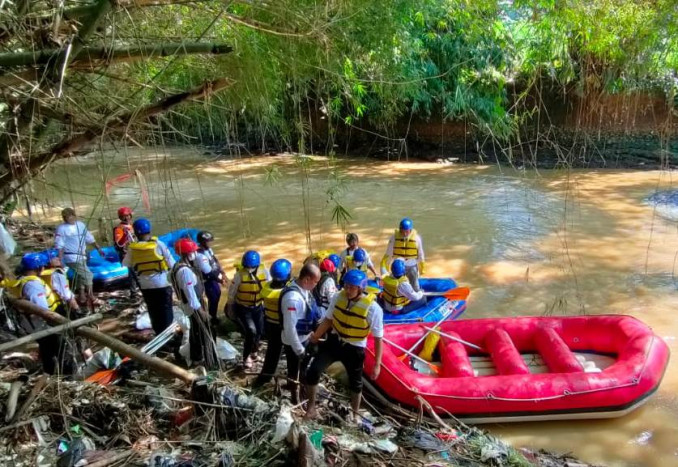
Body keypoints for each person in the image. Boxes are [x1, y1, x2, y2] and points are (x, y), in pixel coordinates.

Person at [305, 269, 383, 421]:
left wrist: (377, 364)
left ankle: (355, 416)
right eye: (346, 286)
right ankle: (311, 408)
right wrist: (316, 337)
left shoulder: (373, 309)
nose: (347, 290)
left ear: (360, 288)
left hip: (354, 348)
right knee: (314, 371)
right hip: (334, 341)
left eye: (351, 287)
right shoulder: (337, 297)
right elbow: (328, 320)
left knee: (356, 383)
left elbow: (379, 338)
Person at [16, 253, 76, 375]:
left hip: (33, 324)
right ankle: (66, 375)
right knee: (59, 350)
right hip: (42, 324)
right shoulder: (34, 285)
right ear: (38, 268)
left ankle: (51, 373)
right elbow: (42, 309)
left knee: (47, 350)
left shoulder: (21, 280)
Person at [123, 218, 176, 337]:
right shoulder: (159, 244)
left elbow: (126, 263)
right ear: (150, 231)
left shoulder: (132, 248)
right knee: (166, 310)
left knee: (153, 310)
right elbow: (172, 264)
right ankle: (169, 335)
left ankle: (159, 333)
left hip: (145, 285)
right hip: (162, 284)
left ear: (135, 233)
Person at [171, 238, 218, 369]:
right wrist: (202, 312)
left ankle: (196, 357)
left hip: (191, 306)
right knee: (208, 333)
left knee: (196, 333)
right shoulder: (184, 272)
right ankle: (210, 362)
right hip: (194, 307)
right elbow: (191, 295)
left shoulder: (178, 266)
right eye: (193, 251)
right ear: (187, 253)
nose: (195, 253)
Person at [279, 263, 321, 402]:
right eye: (315, 282)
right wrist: (300, 350)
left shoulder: (302, 288)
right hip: (294, 342)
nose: (316, 285)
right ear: (306, 280)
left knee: (301, 369)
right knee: (296, 370)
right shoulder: (293, 299)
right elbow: (290, 329)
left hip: (304, 337)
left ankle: (299, 390)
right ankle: (296, 397)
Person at [54, 208, 105, 309]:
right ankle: (91, 296)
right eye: (66, 217)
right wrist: (60, 260)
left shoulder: (80, 225)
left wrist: (98, 248)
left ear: (74, 215)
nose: (69, 218)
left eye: (70, 216)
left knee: (80, 276)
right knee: (88, 275)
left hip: (82, 255)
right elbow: (60, 245)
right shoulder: (61, 229)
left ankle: (82, 296)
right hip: (71, 256)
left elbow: (89, 237)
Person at [253, 258, 292, 388]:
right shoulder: (288, 291)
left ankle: (263, 379)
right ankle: (293, 383)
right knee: (292, 354)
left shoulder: (266, 288)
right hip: (285, 327)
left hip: (271, 325)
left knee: (272, 353)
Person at [227, 250, 270, 369]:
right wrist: (230, 306)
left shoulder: (264, 272)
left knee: (260, 331)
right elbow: (232, 292)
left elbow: (269, 286)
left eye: (251, 266)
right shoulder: (239, 275)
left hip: (258, 306)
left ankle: (254, 351)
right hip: (244, 308)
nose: (249, 268)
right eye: (247, 266)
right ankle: (246, 357)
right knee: (251, 331)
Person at [380, 217, 425, 291]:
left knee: (414, 282)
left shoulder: (416, 239)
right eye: (402, 231)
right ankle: (392, 294)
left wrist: (422, 267)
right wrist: (386, 266)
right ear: (400, 229)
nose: (404, 233)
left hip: (411, 264)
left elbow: (420, 254)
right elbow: (389, 253)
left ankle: (416, 293)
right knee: (394, 282)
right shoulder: (394, 238)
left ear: (410, 230)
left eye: (406, 231)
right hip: (398, 264)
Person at [195, 231, 226, 325]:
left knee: (217, 295)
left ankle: (213, 315)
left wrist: (222, 271)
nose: (211, 243)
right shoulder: (200, 255)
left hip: (214, 277)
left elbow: (215, 260)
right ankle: (211, 318)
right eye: (209, 241)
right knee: (213, 297)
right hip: (207, 280)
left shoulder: (208, 250)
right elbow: (208, 272)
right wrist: (221, 280)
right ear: (204, 242)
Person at [113, 206, 140, 296]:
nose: (127, 218)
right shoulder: (119, 229)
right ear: (120, 218)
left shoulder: (132, 226)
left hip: (134, 252)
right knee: (135, 272)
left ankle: (133, 292)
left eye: (128, 215)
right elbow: (119, 243)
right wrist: (124, 235)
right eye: (124, 216)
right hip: (126, 254)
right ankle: (143, 290)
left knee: (132, 274)